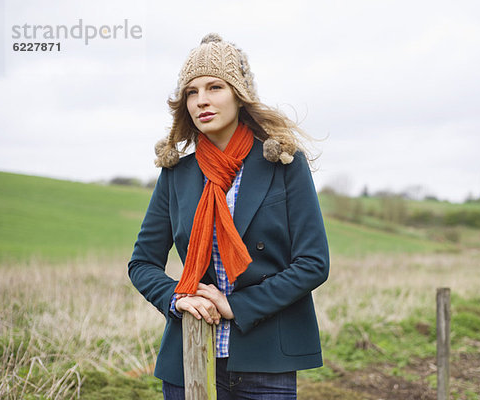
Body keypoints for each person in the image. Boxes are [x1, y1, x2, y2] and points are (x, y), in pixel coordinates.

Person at [128, 33, 329, 400]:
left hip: (267, 358)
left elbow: (314, 263)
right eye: (191, 91)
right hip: (188, 354)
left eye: (214, 86)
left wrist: (236, 305)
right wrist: (177, 297)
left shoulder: (284, 164)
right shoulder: (176, 175)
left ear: (239, 94)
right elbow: (141, 263)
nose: (201, 100)